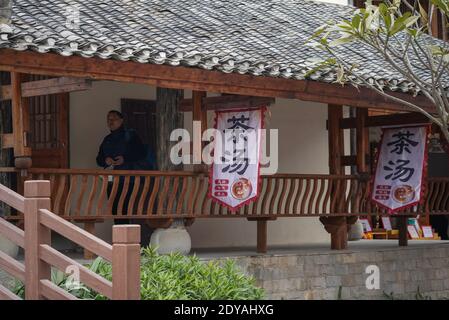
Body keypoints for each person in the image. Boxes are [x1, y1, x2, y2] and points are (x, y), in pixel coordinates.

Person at [96, 110, 146, 223]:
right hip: (111, 180)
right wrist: (106, 161)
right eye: (108, 119)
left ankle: (127, 238)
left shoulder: (131, 135)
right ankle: (120, 238)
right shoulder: (107, 139)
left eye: (113, 118)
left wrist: (125, 158)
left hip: (128, 179)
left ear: (121, 120)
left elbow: (142, 153)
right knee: (115, 211)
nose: (110, 121)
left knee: (125, 210)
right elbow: (99, 159)